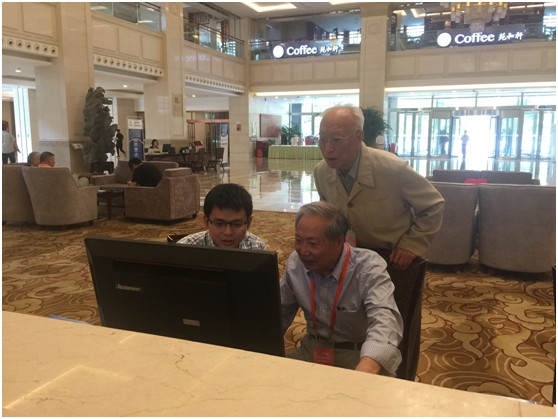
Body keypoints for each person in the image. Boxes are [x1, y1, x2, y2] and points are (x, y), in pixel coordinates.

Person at [314, 106, 444, 270]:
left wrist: (412, 244)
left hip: (392, 259)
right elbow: (329, 215)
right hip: (347, 258)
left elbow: (434, 204)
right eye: (322, 139)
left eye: (336, 139)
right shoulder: (321, 172)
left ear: (358, 137)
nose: (328, 148)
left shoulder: (392, 168)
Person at [281, 201, 403, 376]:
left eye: (313, 244)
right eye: (299, 241)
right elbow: (279, 311)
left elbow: (385, 320)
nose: (303, 251)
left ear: (339, 241)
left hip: (357, 355)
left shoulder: (368, 267)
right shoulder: (296, 263)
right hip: (311, 351)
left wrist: (366, 369)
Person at [176, 183, 266, 249]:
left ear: (249, 223)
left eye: (237, 224)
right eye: (219, 224)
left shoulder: (256, 246)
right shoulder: (185, 249)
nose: (228, 232)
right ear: (206, 222)